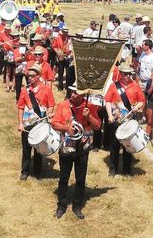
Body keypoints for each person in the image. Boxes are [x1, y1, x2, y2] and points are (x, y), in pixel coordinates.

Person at [51, 86, 101, 219]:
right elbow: (54, 123)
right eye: (71, 92)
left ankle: (77, 205)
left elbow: (97, 126)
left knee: (80, 179)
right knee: (63, 178)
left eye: (76, 93)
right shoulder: (63, 105)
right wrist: (66, 128)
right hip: (66, 148)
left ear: (83, 94)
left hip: (83, 149)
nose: (72, 95)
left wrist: (89, 116)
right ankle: (61, 205)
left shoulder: (89, 106)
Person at [104, 63, 144, 176]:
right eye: (124, 74)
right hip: (116, 120)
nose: (127, 76)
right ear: (120, 74)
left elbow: (142, 100)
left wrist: (138, 107)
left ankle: (127, 169)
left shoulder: (135, 86)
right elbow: (107, 101)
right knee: (114, 145)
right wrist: (109, 115)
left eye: (129, 74)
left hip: (129, 120)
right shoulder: (113, 86)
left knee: (128, 147)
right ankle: (113, 169)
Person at [17, 64, 55, 180]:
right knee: (26, 148)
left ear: (39, 76)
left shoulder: (46, 89)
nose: (30, 78)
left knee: (38, 148)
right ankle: (25, 171)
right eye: (29, 76)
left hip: (40, 124)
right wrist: (20, 123)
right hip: (28, 124)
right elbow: (20, 107)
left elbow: (51, 104)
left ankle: (37, 171)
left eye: (32, 76)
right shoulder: (25, 90)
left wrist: (48, 114)